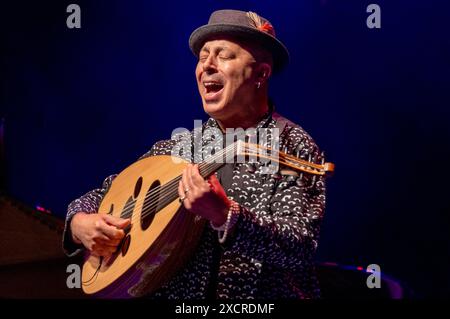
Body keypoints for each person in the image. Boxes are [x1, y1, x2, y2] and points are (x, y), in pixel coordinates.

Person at [63, 9, 328, 299]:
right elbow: (104, 194)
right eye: (203, 57)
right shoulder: (181, 147)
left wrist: (225, 215)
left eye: (224, 55)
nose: (207, 66)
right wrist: (79, 224)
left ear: (261, 73)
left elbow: (299, 246)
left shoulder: (291, 143)